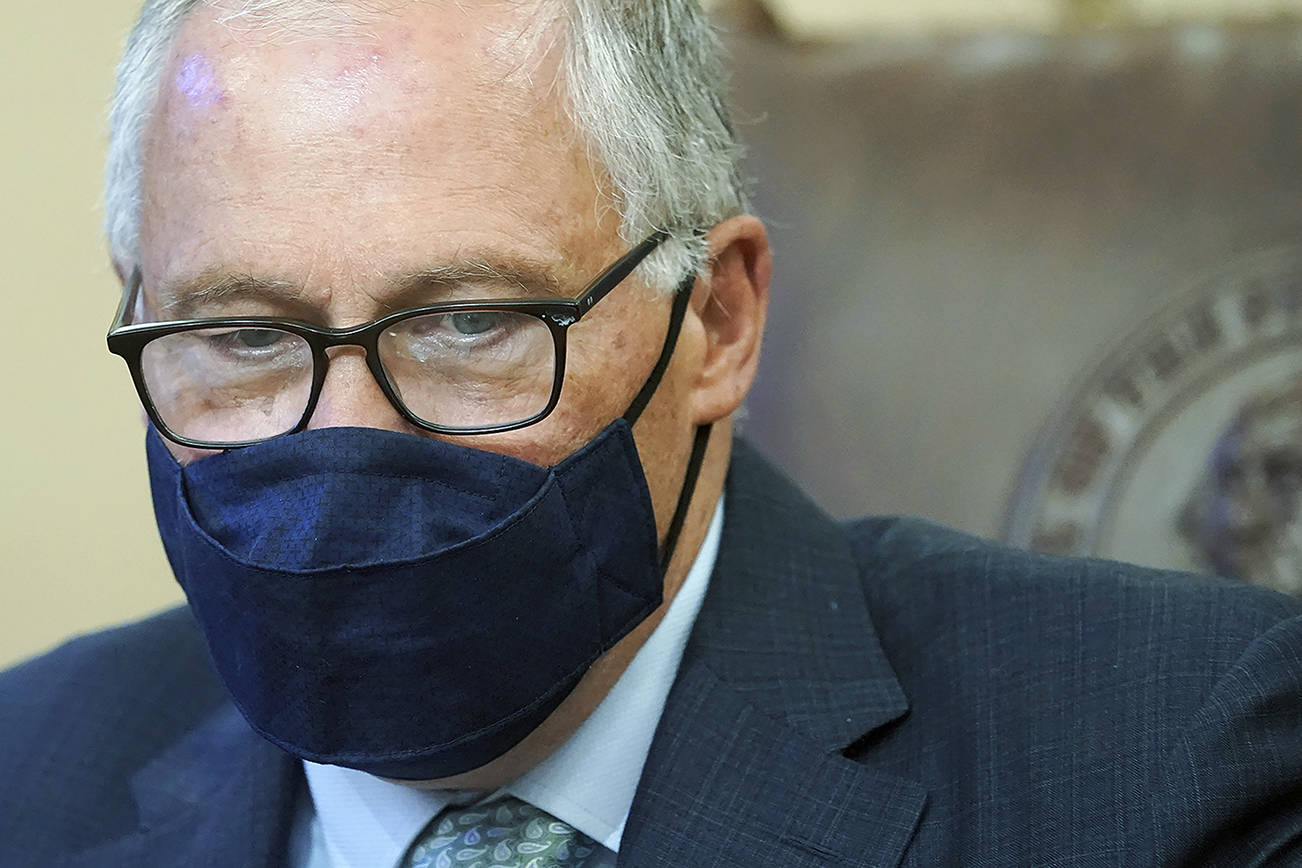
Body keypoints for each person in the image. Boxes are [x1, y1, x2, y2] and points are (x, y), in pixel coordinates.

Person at [3, 1, 1302, 865]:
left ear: (718, 323)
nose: (340, 437)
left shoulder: (1177, 765)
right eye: (240, 337)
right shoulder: (26, 778)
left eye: (464, 323)